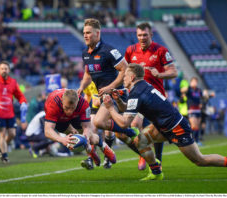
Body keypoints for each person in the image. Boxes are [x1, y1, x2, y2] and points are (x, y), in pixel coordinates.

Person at [102, 63, 227, 180]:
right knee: (140, 141)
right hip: (163, 126)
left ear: (132, 77)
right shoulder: (141, 86)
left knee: (200, 160)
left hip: (177, 127)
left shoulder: (137, 92)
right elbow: (127, 109)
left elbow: (124, 123)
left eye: (125, 76)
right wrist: (118, 101)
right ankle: (156, 172)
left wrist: (110, 108)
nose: (123, 78)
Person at [77, 18, 140, 169]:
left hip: (116, 93)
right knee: (94, 126)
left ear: (97, 33)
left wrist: (110, 87)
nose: (85, 36)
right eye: (84, 33)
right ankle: (97, 157)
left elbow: (125, 69)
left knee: (99, 123)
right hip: (101, 96)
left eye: (88, 33)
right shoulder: (85, 53)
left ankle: (130, 131)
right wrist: (81, 87)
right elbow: (88, 74)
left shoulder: (109, 50)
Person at [124, 22, 178, 170]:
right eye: (140, 35)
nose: (142, 38)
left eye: (145, 35)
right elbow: (125, 72)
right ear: (136, 35)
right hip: (137, 96)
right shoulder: (130, 51)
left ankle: (157, 161)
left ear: (151, 35)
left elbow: (174, 72)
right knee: (134, 124)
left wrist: (160, 74)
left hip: (155, 98)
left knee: (158, 128)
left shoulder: (160, 50)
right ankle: (143, 152)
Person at [44, 88, 116, 169]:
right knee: (73, 138)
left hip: (75, 116)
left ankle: (104, 147)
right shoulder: (53, 104)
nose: (69, 112)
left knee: (90, 137)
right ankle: (90, 150)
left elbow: (87, 127)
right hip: (60, 118)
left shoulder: (83, 104)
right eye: (67, 107)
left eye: (72, 108)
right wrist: (61, 139)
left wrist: (86, 138)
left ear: (77, 102)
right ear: (62, 101)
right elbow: (47, 130)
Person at [181, 77, 203, 145]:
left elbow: (201, 98)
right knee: (193, 126)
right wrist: (187, 87)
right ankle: (192, 141)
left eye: (196, 82)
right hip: (191, 109)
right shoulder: (189, 89)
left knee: (197, 126)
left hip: (198, 110)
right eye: (193, 81)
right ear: (191, 82)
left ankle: (197, 140)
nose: (194, 83)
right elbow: (182, 90)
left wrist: (201, 103)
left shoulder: (198, 90)